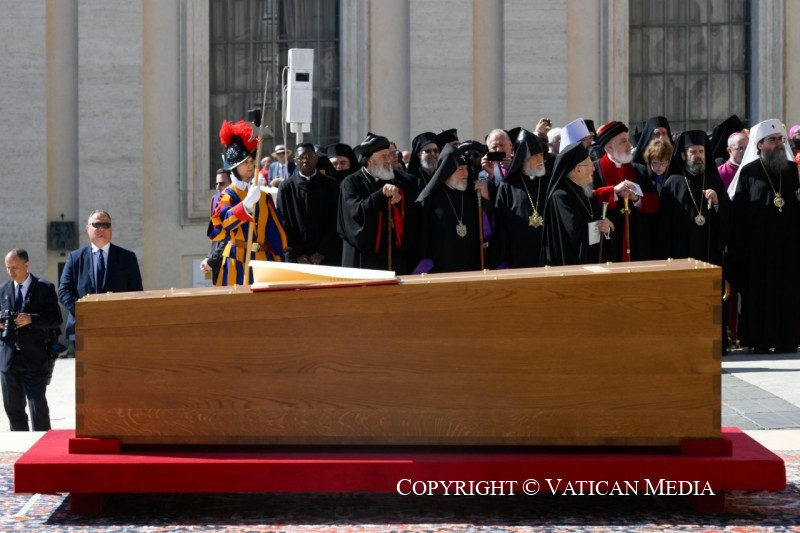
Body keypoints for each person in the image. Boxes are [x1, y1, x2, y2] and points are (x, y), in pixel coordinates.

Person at [726, 119, 800, 353]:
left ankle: (788, 339)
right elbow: (739, 214)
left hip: (788, 247)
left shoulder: (792, 170)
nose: (778, 144)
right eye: (772, 140)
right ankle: (760, 340)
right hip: (758, 250)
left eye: (780, 139)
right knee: (760, 294)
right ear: (759, 145)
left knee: (787, 292)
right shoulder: (749, 173)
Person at [208, 120, 287, 285]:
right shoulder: (225, 197)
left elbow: (274, 232)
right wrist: (246, 205)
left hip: (263, 262)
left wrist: (280, 259)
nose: (250, 166)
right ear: (234, 166)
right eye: (245, 162)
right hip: (236, 263)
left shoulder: (263, 196)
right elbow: (220, 230)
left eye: (251, 161)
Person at [337, 132, 420, 274]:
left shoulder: (393, 180)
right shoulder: (351, 183)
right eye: (383, 156)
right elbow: (355, 215)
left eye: (389, 155)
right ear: (370, 160)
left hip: (391, 256)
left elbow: (409, 214)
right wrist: (380, 195)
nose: (389, 160)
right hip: (363, 259)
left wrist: (399, 201)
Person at [1, 249, 63, 431]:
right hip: (8, 360)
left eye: (14, 267)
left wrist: (32, 319)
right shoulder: (3, 290)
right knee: (13, 409)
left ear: (26, 265)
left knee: (38, 407)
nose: (11, 272)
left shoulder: (44, 288)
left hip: (34, 357)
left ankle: (43, 444)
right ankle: (20, 443)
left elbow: (56, 319)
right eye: (7, 268)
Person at [59, 210, 143, 342]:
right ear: (88, 229)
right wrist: (85, 311)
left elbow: (136, 293)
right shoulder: (75, 258)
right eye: (97, 225)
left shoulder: (127, 258)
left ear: (111, 229)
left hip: (117, 329)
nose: (101, 229)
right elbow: (64, 291)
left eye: (106, 225)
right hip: (83, 329)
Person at [414, 143, 491, 273]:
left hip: (472, 267)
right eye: (460, 169)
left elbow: (487, 230)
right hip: (442, 269)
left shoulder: (473, 195)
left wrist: (485, 198)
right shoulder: (430, 201)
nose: (465, 173)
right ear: (447, 171)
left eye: (466, 169)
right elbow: (423, 241)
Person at [657, 130, 731, 266]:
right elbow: (664, 223)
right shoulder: (673, 183)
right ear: (683, 155)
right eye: (693, 152)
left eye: (701, 151)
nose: (698, 156)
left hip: (709, 250)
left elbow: (728, 213)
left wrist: (717, 202)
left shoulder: (715, 181)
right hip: (680, 251)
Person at [592, 120, 659, 262]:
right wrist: (613, 191)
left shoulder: (639, 170)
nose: (630, 145)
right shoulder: (593, 170)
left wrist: (637, 198)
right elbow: (589, 200)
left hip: (637, 240)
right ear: (609, 148)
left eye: (628, 140)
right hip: (609, 240)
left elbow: (654, 202)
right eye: (623, 141)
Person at [542, 142, 614, 266]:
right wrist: (600, 225)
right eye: (590, 165)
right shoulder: (560, 196)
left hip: (593, 257)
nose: (594, 169)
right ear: (578, 169)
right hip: (573, 262)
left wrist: (607, 227)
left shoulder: (585, 190)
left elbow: (596, 218)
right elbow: (574, 231)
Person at [491, 129, 550, 268]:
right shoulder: (507, 187)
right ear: (524, 158)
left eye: (541, 155)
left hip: (548, 255)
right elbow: (501, 228)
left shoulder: (550, 183)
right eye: (535, 156)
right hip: (518, 256)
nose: (540, 160)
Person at [277, 143, 342, 266]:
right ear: (295, 160)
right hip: (296, 257)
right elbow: (282, 222)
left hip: (327, 256)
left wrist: (322, 252)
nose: (305, 160)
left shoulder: (331, 185)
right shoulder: (286, 187)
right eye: (301, 157)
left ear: (316, 159)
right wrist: (298, 253)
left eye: (310, 157)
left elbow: (337, 220)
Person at [199, 169, 232, 284]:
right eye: (216, 184)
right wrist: (210, 258)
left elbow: (228, 238)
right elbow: (216, 237)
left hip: (231, 261)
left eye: (222, 183)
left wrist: (212, 260)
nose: (218, 187)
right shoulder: (217, 200)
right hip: (218, 263)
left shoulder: (235, 201)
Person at [478, 128, 514, 202]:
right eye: (494, 147)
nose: (498, 150)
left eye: (502, 145)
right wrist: (490, 176)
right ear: (489, 150)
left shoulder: (523, 167)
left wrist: (513, 168)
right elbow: (489, 202)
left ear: (510, 144)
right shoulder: (483, 175)